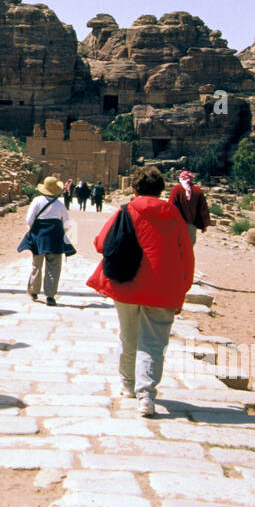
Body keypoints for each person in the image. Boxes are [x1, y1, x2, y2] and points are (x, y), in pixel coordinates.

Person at [86, 165, 194, 415]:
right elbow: (186, 255)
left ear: (134, 189)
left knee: (128, 336)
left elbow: (101, 243)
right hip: (163, 288)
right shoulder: (174, 215)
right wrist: (182, 290)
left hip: (126, 285)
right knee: (154, 343)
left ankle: (128, 386)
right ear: (161, 190)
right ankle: (147, 396)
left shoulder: (125, 211)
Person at [18, 175, 74, 306]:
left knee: (36, 264)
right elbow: (67, 222)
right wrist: (63, 234)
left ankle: (33, 290)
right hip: (55, 237)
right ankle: (50, 295)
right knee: (54, 267)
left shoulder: (37, 201)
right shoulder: (60, 204)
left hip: (39, 237)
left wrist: (35, 231)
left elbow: (29, 220)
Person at [168, 169, 211, 244]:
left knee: (176, 247)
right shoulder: (198, 191)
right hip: (191, 225)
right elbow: (203, 209)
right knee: (188, 248)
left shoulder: (177, 189)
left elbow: (171, 206)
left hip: (177, 225)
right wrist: (205, 225)